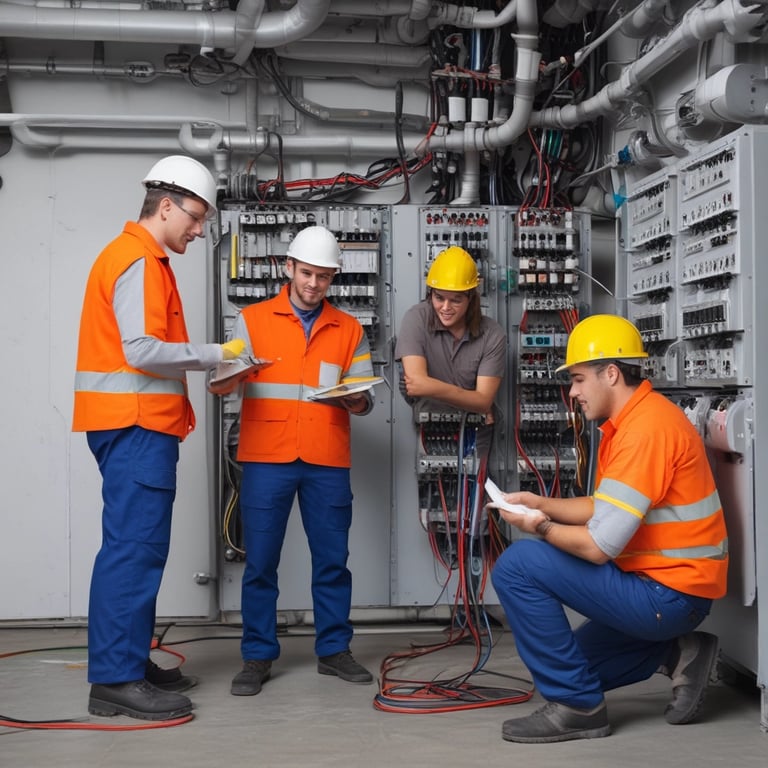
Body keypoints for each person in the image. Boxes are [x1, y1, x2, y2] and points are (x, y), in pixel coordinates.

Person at [488, 314, 728, 743]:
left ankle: (580, 710)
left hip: (668, 595)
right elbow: (608, 507)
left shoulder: (646, 430)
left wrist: (538, 526)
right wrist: (541, 503)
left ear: (611, 373)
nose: (573, 392)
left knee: (518, 565)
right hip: (662, 589)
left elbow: (599, 546)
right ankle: (679, 652)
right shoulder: (636, 421)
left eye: (579, 379)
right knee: (569, 668)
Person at [73, 155, 246, 721]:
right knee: (133, 552)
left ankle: (129, 659)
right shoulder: (139, 260)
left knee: (137, 549)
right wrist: (221, 353)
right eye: (195, 218)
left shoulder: (138, 257)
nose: (199, 231)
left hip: (133, 425)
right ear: (166, 206)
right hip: (136, 426)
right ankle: (115, 682)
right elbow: (141, 351)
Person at [226, 225, 376, 696]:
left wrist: (356, 402)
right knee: (261, 564)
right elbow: (224, 378)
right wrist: (228, 374)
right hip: (266, 457)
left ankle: (333, 651)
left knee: (333, 560)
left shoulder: (350, 329)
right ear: (288, 267)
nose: (314, 284)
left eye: (324, 277)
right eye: (307, 273)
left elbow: (365, 395)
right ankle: (256, 656)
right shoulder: (252, 319)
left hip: (327, 459)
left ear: (334, 278)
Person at [395, 245, 506, 427]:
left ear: (471, 299)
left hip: (476, 432)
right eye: (439, 298)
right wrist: (470, 397)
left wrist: (431, 386)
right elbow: (415, 384)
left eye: (456, 300)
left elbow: (483, 402)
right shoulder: (416, 318)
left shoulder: (492, 334)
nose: (445, 308)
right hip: (427, 427)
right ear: (430, 294)